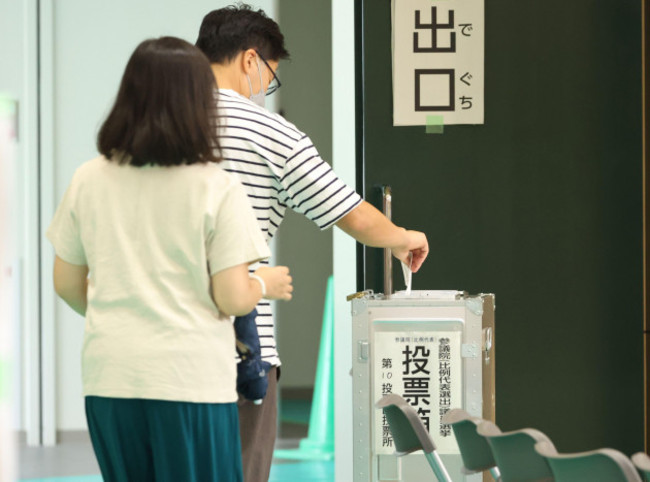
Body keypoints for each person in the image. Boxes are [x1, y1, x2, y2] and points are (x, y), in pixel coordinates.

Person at [196, 6, 429, 481]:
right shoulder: (267, 129)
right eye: (269, 75)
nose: (264, 88)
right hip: (236, 343)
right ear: (249, 60)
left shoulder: (155, 129)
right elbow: (351, 213)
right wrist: (404, 238)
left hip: (157, 348)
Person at [46, 36, 293, 482]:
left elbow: (65, 282)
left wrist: (119, 312)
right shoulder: (214, 186)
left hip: (111, 379)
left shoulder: (89, 178)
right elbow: (233, 296)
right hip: (189, 379)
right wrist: (265, 285)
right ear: (197, 103)